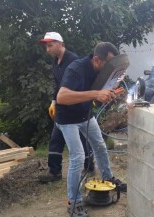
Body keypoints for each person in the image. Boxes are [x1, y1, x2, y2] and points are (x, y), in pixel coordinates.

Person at [56, 42, 126, 217]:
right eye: (108, 65)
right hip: (67, 119)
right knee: (78, 156)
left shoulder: (99, 72)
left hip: (85, 115)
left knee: (100, 146)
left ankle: (108, 178)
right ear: (96, 60)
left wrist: (106, 95)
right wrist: (95, 94)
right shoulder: (75, 69)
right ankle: (74, 201)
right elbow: (62, 97)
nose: (109, 69)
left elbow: (93, 98)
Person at [38, 32, 94, 183]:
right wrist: (53, 101)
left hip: (76, 108)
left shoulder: (73, 61)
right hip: (62, 108)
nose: (47, 50)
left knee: (82, 138)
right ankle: (54, 171)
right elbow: (58, 85)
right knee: (56, 138)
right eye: (46, 46)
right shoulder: (56, 62)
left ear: (60, 43)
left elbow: (79, 87)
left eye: (50, 45)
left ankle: (89, 166)